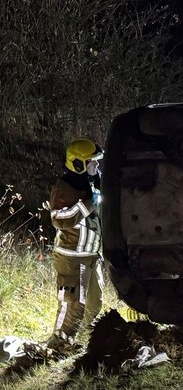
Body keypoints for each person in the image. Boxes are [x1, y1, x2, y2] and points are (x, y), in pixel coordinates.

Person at [45, 138, 104, 351]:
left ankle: (87, 341)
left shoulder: (94, 182)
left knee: (94, 303)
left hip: (91, 255)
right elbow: (58, 218)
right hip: (70, 256)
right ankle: (57, 345)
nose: (96, 166)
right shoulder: (65, 187)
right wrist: (87, 205)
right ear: (78, 163)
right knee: (70, 304)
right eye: (92, 162)